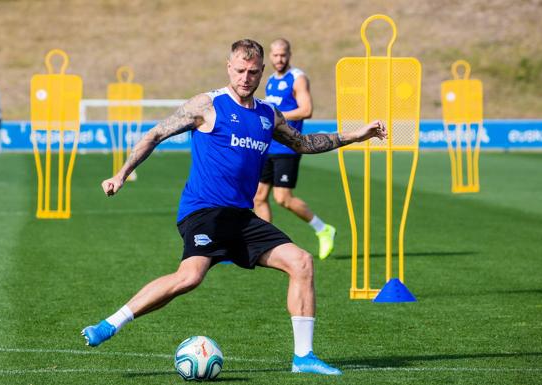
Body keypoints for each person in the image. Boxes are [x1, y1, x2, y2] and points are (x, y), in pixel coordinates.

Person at [81, 39, 386, 376]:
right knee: (190, 277)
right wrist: (121, 174)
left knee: (301, 262)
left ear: (262, 73)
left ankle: (304, 357)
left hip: (242, 218)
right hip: (205, 212)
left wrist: (355, 136)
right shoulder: (208, 105)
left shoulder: (268, 115)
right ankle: (110, 324)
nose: (245, 77)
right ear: (229, 67)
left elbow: (305, 143)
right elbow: (156, 133)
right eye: (240, 70)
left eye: (253, 72)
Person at [254, 38, 336, 260]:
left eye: (283, 55)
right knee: (259, 197)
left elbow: (306, 109)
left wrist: (275, 116)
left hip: (287, 147)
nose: (279, 59)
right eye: (275, 55)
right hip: (268, 146)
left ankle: (322, 228)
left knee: (283, 198)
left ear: (289, 55)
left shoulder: (297, 78)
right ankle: (261, 243)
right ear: (270, 56)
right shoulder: (270, 80)